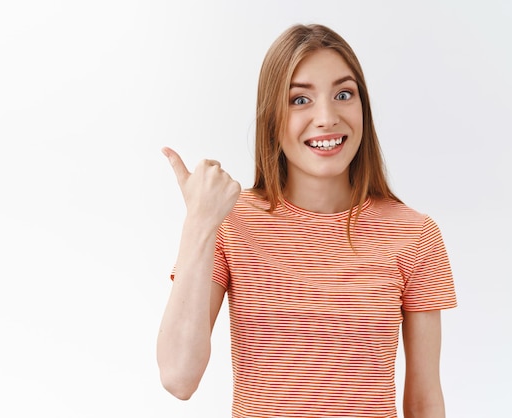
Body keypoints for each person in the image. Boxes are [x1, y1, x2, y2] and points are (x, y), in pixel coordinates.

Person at [157, 23, 457, 418]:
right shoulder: (230, 224)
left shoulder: (415, 234)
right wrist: (199, 221)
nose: (327, 117)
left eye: (343, 94)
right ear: (272, 118)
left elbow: (424, 402)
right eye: (300, 100)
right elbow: (179, 378)